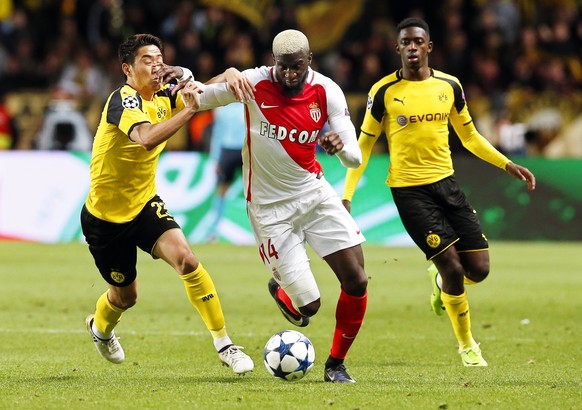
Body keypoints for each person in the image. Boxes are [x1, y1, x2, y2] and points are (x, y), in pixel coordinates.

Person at [342, 17, 536, 367]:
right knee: (452, 267)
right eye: (406, 43)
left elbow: (470, 138)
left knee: (479, 269)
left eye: (418, 42)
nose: (412, 48)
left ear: (429, 47)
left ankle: (438, 281)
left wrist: (508, 165)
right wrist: (347, 195)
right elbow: (363, 146)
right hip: (409, 191)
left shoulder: (450, 86)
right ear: (398, 48)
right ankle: (467, 347)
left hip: (447, 184)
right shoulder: (383, 92)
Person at [179, 29, 369, 383]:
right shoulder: (253, 82)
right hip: (269, 212)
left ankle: (335, 365)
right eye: (283, 67)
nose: (289, 74)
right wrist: (221, 75)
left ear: (309, 60)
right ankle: (283, 291)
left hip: (313, 194)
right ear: (273, 61)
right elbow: (198, 100)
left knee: (357, 279)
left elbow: (355, 158)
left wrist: (338, 146)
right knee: (309, 307)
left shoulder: (326, 91)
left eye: (297, 67)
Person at [80, 33, 254, 375]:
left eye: (159, 57)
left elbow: (202, 92)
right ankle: (100, 330)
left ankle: (225, 345)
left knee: (187, 260)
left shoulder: (165, 96)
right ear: (128, 69)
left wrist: (229, 73)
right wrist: (188, 112)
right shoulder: (123, 101)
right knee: (125, 297)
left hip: (144, 203)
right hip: (105, 219)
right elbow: (145, 139)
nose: (156, 64)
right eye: (147, 59)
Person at [207, 102, 245, 242]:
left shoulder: (220, 107)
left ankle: (213, 231)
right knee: (254, 190)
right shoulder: (249, 104)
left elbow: (217, 133)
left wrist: (215, 157)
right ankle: (214, 230)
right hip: (244, 149)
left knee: (222, 190)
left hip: (227, 151)